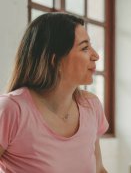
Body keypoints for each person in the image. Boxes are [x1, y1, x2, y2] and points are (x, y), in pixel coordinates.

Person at [0, 13, 108, 173]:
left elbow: (98, 169)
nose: (96, 55)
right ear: (55, 60)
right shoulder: (12, 109)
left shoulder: (91, 106)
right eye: (85, 48)